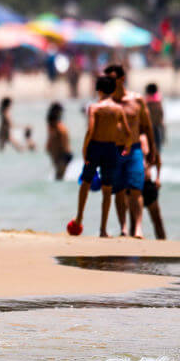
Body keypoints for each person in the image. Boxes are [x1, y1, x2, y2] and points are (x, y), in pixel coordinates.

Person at [68, 75, 130, 238]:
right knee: (107, 189)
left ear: (99, 90)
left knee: (86, 182)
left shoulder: (95, 108)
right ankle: (103, 229)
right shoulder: (118, 109)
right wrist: (125, 148)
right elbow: (127, 132)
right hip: (111, 148)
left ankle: (79, 218)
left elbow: (90, 130)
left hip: (96, 146)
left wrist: (84, 148)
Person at [106, 64, 157, 239]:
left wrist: (152, 150)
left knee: (136, 189)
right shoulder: (107, 102)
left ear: (122, 79)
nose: (109, 82)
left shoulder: (136, 100)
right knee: (119, 190)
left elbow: (147, 126)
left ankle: (138, 228)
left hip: (134, 148)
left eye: (112, 79)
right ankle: (123, 228)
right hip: (114, 149)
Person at [46, 103, 72, 180]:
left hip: (62, 154)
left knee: (59, 176)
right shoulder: (58, 127)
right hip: (63, 154)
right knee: (59, 176)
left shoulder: (58, 128)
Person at [145, 82, 165, 153]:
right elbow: (161, 114)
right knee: (157, 147)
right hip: (156, 125)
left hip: (151, 126)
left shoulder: (147, 100)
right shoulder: (158, 99)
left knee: (151, 147)